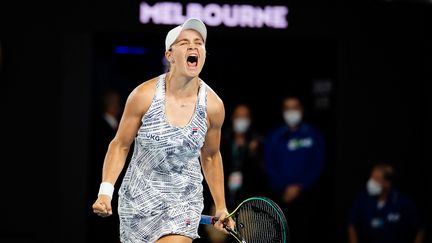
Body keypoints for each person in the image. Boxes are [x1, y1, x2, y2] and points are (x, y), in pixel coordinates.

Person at [91, 18, 234, 243]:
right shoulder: (143, 96)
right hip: (138, 203)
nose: (193, 47)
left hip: (184, 203)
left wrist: (222, 207)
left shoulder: (214, 106)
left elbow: (211, 156)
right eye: (184, 43)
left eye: (199, 42)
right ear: (169, 55)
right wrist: (105, 192)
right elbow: (120, 145)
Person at [263, 95, 325, 243]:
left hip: (308, 198)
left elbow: (318, 165)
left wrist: (300, 187)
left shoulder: (313, 135)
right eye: (287, 108)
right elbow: (269, 166)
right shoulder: (274, 137)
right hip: (281, 198)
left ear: (302, 109)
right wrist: (285, 188)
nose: (291, 112)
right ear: (283, 111)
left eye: (295, 108)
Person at [348, 163, 425, 243]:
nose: (371, 182)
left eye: (376, 179)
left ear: (387, 183)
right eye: (371, 177)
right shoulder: (362, 198)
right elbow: (352, 225)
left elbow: (420, 228)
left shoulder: (403, 202)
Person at [88, 88, 122, 243]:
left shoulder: (118, 128)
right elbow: (118, 148)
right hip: (104, 189)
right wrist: (105, 192)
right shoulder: (101, 130)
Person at [222, 104, 264, 208]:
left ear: (250, 119)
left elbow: (262, 172)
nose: (241, 120)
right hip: (223, 201)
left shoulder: (257, 141)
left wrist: (253, 153)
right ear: (232, 118)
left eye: (245, 117)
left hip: (248, 203)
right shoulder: (222, 140)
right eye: (238, 116)